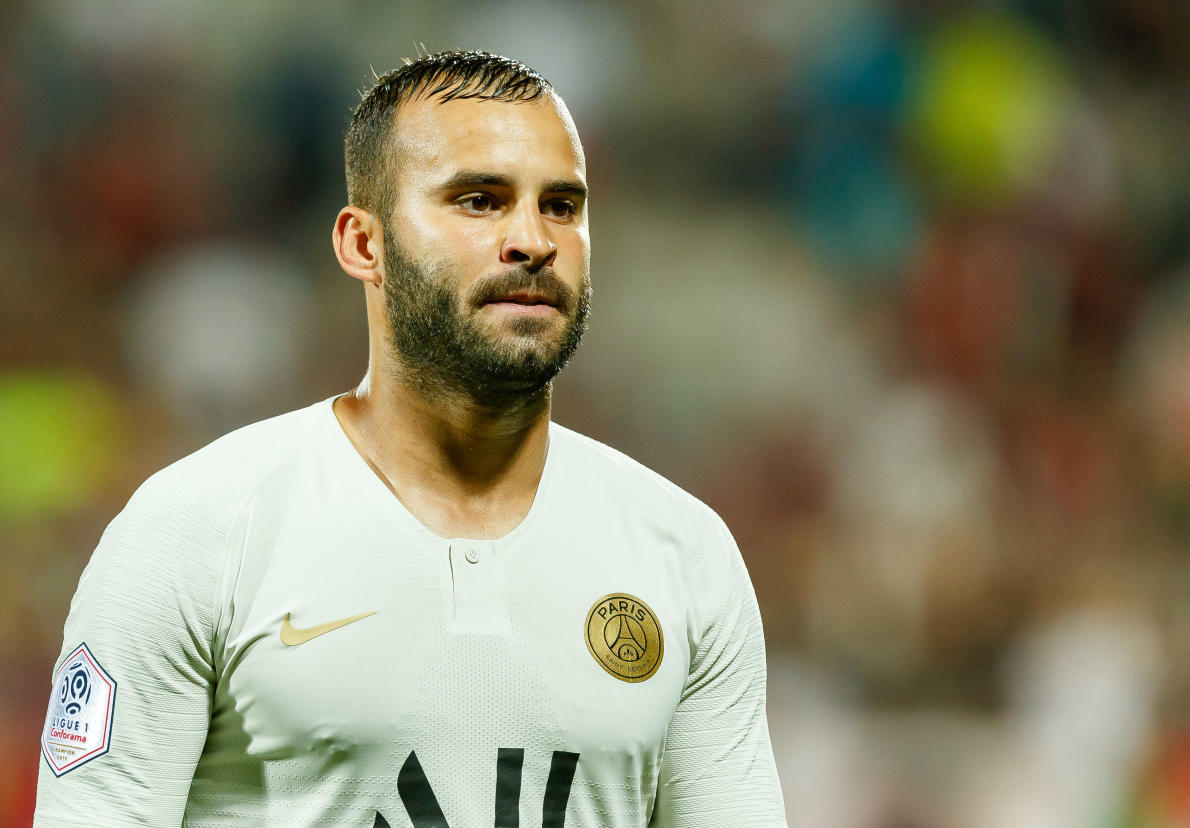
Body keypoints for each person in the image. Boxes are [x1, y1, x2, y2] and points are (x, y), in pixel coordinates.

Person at [34, 50, 787, 827]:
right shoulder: (196, 532)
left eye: (561, 206)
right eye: (479, 201)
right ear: (365, 244)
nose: (533, 238)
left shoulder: (685, 554)